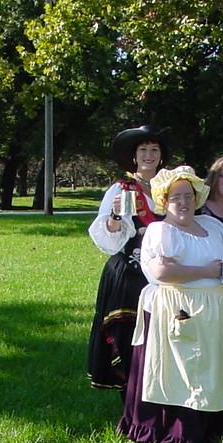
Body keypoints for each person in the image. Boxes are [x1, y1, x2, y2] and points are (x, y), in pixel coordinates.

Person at [118, 166, 223, 443]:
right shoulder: (161, 231)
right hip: (180, 311)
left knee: (218, 371)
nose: (183, 202)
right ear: (164, 201)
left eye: (188, 196)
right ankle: (180, 431)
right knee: (187, 373)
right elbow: (162, 271)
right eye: (175, 197)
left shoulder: (213, 226)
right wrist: (206, 271)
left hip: (220, 311)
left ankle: (219, 429)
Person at [86, 124, 167, 392]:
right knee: (128, 337)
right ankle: (130, 396)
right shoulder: (120, 189)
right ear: (134, 155)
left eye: (154, 149)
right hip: (129, 274)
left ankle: (155, 395)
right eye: (143, 149)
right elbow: (107, 239)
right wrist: (116, 216)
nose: (149, 155)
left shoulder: (170, 188)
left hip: (164, 273)